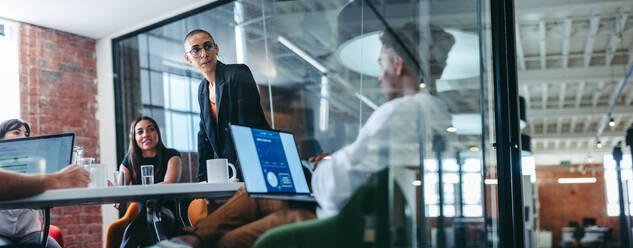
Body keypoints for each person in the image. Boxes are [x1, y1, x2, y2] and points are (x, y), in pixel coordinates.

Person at [154, 23, 454, 248]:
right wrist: (336, 160)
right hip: (346, 211)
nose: (379, 75)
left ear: (398, 64)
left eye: (381, 64)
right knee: (258, 196)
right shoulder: (429, 112)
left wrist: (323, 168)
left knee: (231, 239)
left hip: (334, 218)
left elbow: (335, 186)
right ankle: (187, 239)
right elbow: (372, 165)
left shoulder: (400, 113)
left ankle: (187, 240)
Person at [183, 29, 270, 182]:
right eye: (196, 50)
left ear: (216, 48)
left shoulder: (237, 74)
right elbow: (204, 137)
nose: (204, 53)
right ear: (188, 58)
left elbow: (248, 128)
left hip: (258, 165)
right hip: (232, 173)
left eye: (207, 46)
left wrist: (238, 174)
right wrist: (201, 181)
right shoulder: (202, 90)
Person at [0, 119, 90, 247]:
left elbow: (43, 203)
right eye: (16, 132)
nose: (24, 137)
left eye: (26, 134)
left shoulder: (35, 168)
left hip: (29, 234)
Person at [118, 116, 183, 248]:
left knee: (147, 221)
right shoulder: (129, 160)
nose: (146, 134)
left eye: (150, 129)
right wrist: (115, 194)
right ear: (134, 138)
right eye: (140, 132)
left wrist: (134, 191)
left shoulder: (172, 156)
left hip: (168, 214)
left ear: (157, 133)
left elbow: (169, 185)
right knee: (145, 223)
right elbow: (120, 193)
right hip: (144, 219)